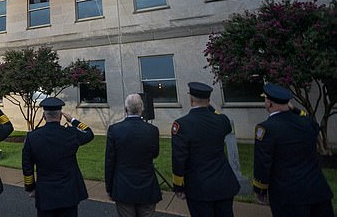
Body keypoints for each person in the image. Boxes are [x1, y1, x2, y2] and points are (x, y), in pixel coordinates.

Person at [253, 83, 334, 217]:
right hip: (317, 190)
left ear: (269, 103)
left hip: (288, 196)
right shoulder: (306, 123)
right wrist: (296, 110)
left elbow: (263, 163)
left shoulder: (266, 128)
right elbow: (314, 125)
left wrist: (260, 189)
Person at [171, 82, 239, 217]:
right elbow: (221, 120)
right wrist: (209, 106)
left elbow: (179, 159)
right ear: (209, 100)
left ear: (191, 100)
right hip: (224, 183)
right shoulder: (221, 120)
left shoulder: (182, 125)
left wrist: (178, 185)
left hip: (199, 187)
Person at [22, 97, 94, 217]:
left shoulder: (32, 137)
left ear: (44, 116)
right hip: (69, 192)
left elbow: (27, 166)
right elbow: (89, 133)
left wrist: (30, 187)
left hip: (45, 193)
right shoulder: (71, 133)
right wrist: (73, 120)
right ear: (60, 116)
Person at [105, 93, 161, 217]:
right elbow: (155, 153)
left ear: (126, 110)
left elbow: (110, 161)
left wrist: (109, 187)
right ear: (142, 109)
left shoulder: (115, 130)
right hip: (147, 185)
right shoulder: (152, 130)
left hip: (123, 186)